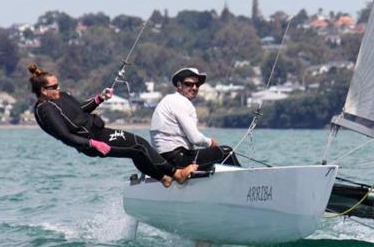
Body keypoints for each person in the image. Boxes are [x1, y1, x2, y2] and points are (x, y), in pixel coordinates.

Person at [27, 64, 196, 188]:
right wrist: (92, 144)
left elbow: (80, 110)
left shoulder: (59, 97)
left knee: (137, 152)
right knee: (140, 145)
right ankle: (176, 174)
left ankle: (163, 178)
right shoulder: (45, 110)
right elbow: (65, 136)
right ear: (43, 90)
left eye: (58, 84)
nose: (59, 88)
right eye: (54, 87)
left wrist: (99, 98)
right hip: (93, 142)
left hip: (99, 133)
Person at [150, 67, 241, 172]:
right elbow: (195, 139)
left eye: (197, 85)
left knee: (211, 160)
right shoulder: (180, 102)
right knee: (225, 152)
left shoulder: (169, 100)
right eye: (188, 84)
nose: (194, 88)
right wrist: (211, 143)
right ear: (179, 85)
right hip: (176, 159)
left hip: (163, 161)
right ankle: (247, 180)